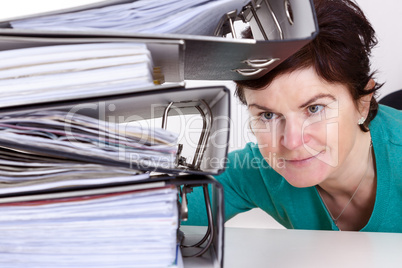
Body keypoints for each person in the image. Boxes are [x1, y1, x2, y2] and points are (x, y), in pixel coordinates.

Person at [185, 0, 402, 232]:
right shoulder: (259, 169)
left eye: (314, 109)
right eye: (268, 115)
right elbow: (160, 215)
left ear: (362, 103)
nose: (291, 142)